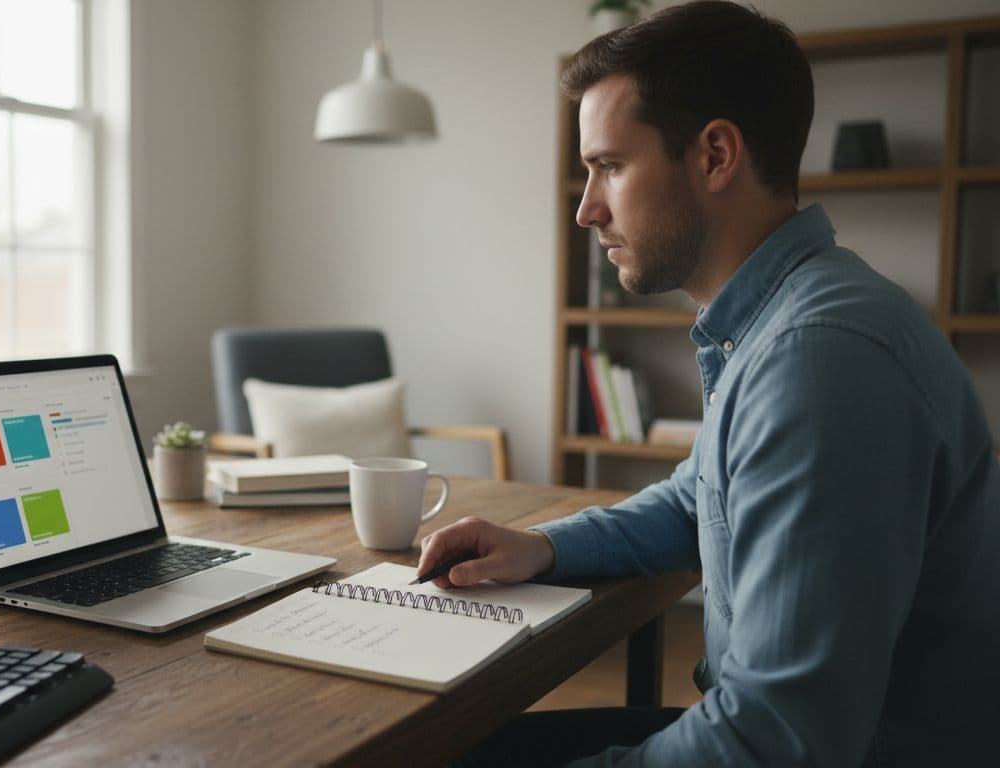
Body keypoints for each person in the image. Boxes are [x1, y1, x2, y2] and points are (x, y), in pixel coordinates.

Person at [424, 2, 1000, 766]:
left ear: (716, 156)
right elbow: (700, 498)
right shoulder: (783, 319)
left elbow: (777, 740)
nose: (586, 209)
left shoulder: (817, 360)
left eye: (610, 166)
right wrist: (541, 547)